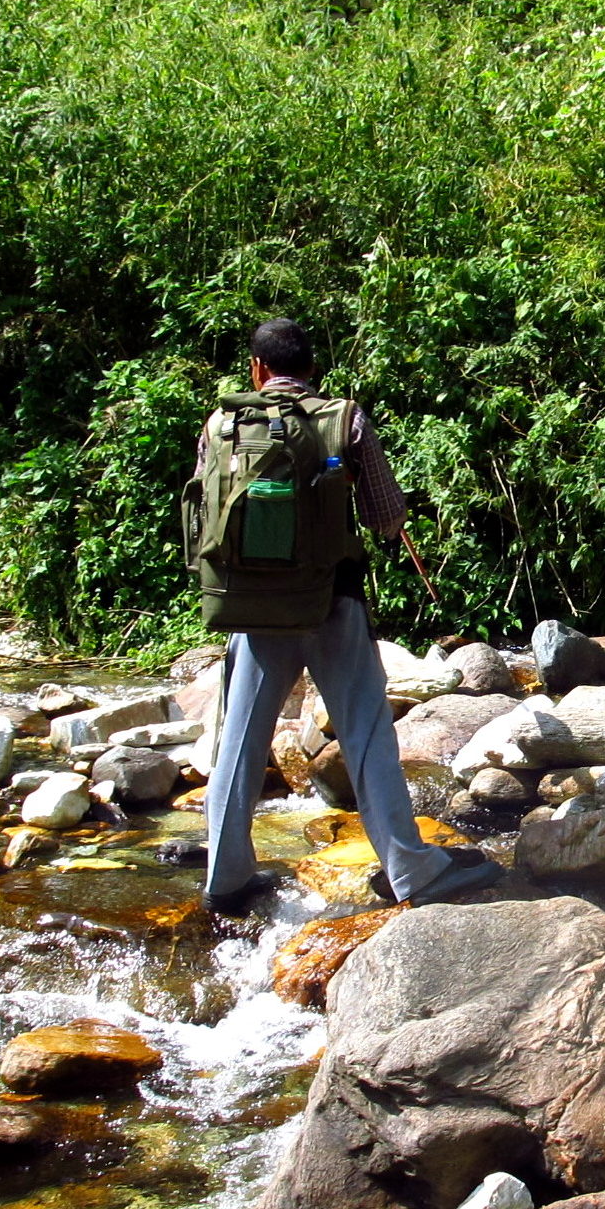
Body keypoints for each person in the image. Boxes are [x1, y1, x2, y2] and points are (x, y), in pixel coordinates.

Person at [197, 317, 503, 918]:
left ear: (258, 370)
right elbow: (386, 514)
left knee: (239, 744)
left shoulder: (223, 422)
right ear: (313, 367)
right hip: (332, 601)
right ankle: (410, 868)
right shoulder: (345, 418)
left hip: (252, 608)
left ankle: (226, 876)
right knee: (364, 734)